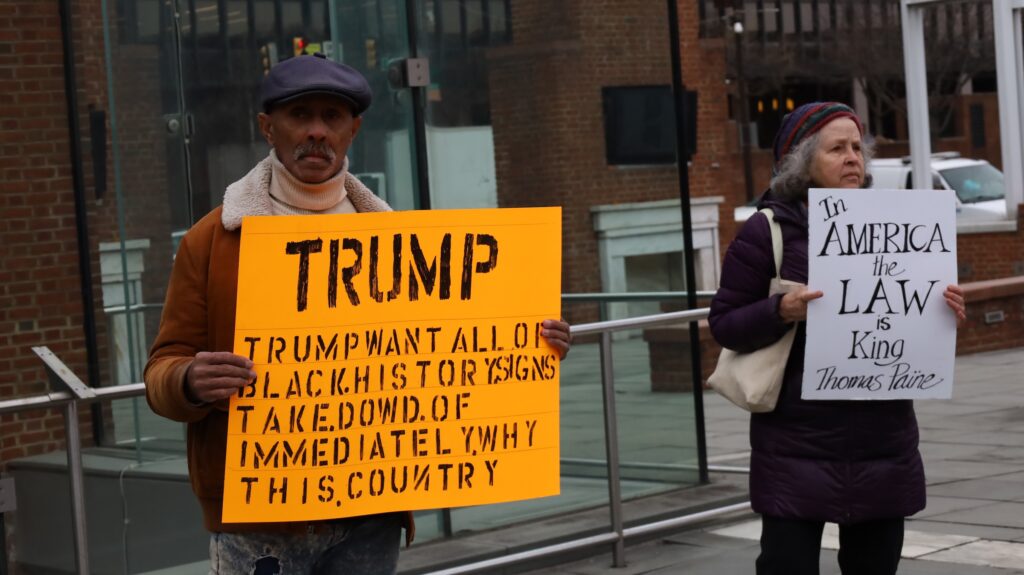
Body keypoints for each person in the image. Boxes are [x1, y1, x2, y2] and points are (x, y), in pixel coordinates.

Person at [144, 53, 572, 575]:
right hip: (259, 518)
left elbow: (436, 352)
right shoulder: (213, 241)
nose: (317, 132)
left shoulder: (396, 240)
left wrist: (533, 344)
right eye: (300, 116)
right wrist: (189, 379)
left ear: (355, 130)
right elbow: (163, 366)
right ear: (268, 128)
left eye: (333, 117)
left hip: (370, 511)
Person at [709, 102, 966, 575]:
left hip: (882, 442)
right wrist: (780, 310)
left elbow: (912, 318)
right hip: (795, 444)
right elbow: (724, 323)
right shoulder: (766, 232)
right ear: (802, 160)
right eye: (837, 148)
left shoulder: (899, 226)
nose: (853, 158)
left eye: (857, 148)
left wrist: (944, 310)